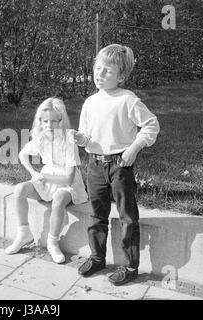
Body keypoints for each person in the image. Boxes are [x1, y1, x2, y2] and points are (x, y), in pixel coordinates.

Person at [69, 44, 160, 285]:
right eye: (97, 68)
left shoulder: (128, 100)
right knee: (97, 214)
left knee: (128, 217)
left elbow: (151, 124)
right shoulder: (90, 102)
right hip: (95, 166)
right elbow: (88, 136)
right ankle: (97, 257)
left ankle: (130, 266)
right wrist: (81, 139)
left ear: (121, 76)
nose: (99, 74)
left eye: (107, 71)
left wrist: (133, 149)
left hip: (121, 165)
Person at [5, 97, 88, 263]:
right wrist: (33, 174)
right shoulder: (40, 137)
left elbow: (69, 178)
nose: (49, 126)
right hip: (46, 177)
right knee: (20, 190)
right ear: (40, 122)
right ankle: (24, 233)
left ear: (61, 121)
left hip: (67, 182)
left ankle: (53, 241)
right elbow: (22, 155)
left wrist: (44, 176)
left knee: (58, 200)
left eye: (54, 121)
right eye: (45, 121)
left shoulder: (68, 140)